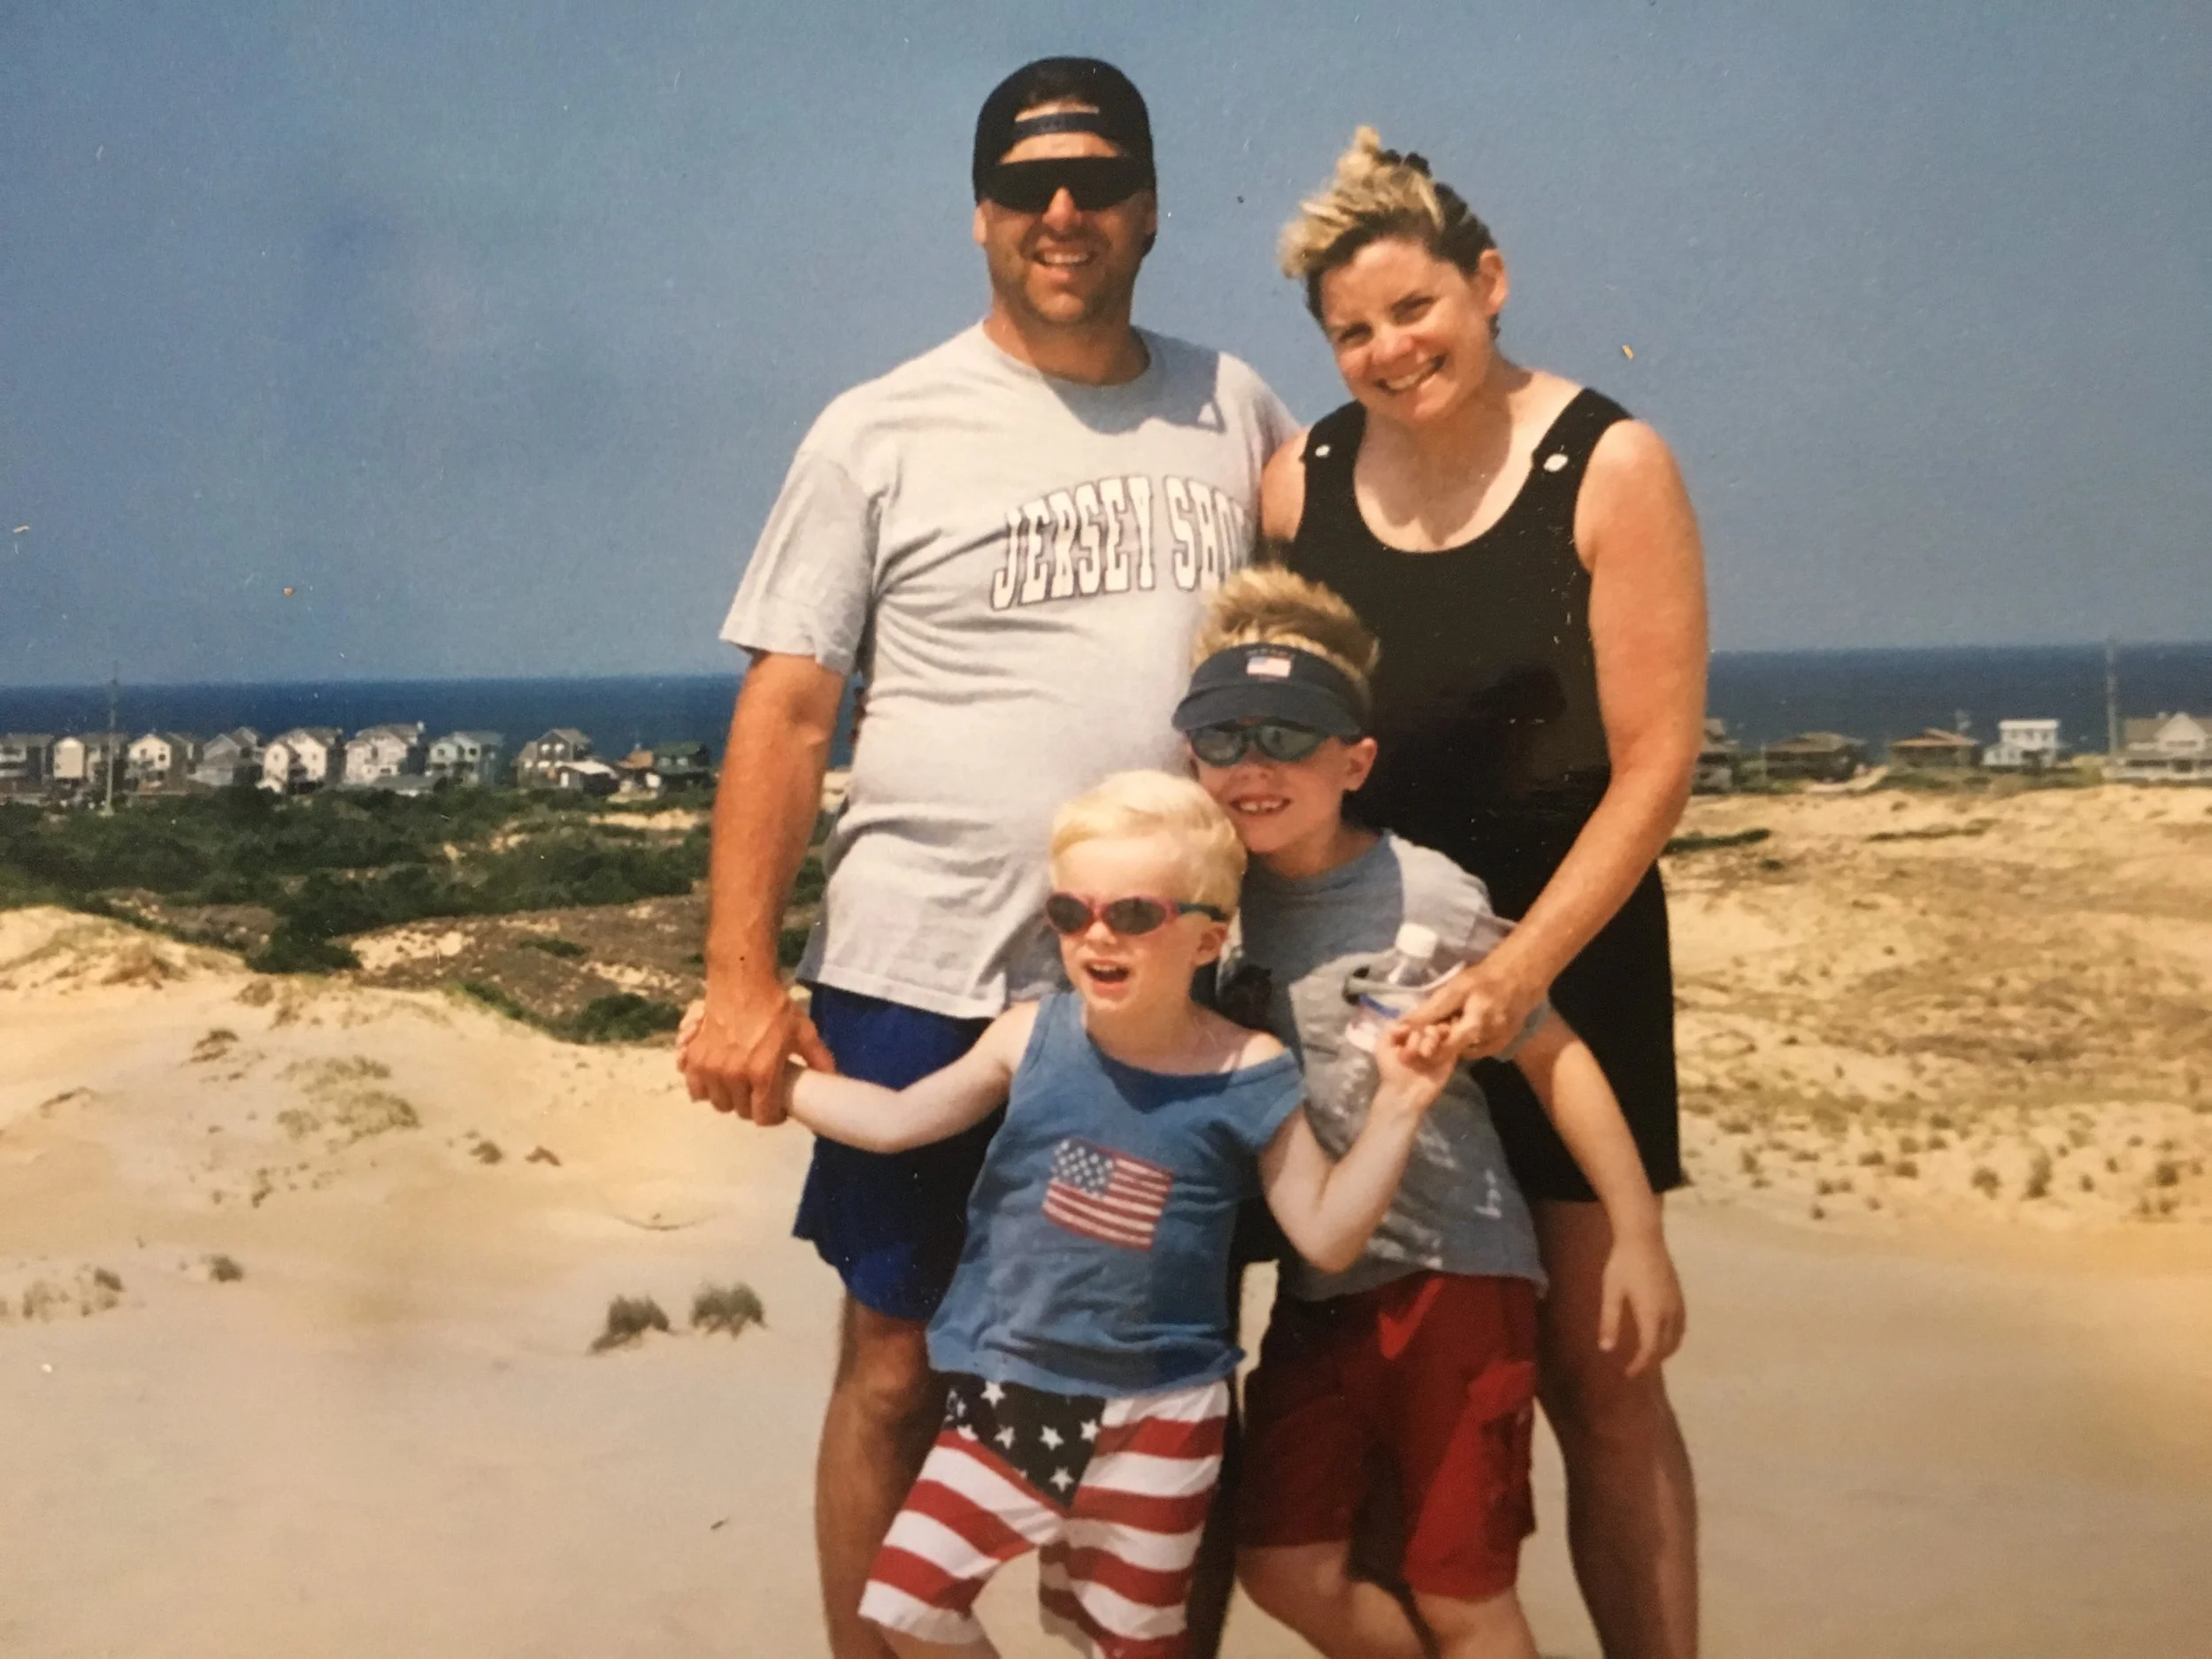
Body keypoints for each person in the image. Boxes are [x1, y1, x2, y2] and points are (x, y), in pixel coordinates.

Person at [680, 58, 1295, 1659]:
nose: (1064, 212)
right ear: (981, 215)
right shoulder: (878, 428)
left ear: (1153, 206)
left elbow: (1336, 633)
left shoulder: (1235, 408)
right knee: (896, 1365)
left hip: (1162, 994)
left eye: (1098, 180)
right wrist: (739, 975)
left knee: (1164, 1384)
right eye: (1029, 186)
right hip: (924, 968)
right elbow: (791, 705)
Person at [1260, 131, 1710, 1659]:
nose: (1389, 351)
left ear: (1490, 284)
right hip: (1375, 997)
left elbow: (1656, 767)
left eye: (1413, 309)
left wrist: (1523, 980)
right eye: (1351, 332)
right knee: (1406, 1367)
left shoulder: (1612, 463)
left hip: (1570, 980)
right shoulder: (1301, 477)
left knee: (1602, 1378)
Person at [715, 771, 1457, 1658]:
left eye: (1134, 915)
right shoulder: (1030, 1037)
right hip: (1018, 1391)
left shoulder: (1248, 1070)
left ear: (1207, 936)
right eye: (1071, 914)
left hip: (1164, 1419)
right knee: (910, 1602)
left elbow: (1327, 1235)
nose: (1096, 935)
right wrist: (781, 1082)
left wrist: (1401, 1105)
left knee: (1125, 1644)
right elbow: (896, 1121)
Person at [1171, 571, 1684, 1658]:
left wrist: (1635, 1232)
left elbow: (1555, 1056)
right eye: (1223, 738)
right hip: (1319, 1291)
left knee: (1462, 1594)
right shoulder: (1213, 903)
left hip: (1457, 1278)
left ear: (1353, 760)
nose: (1253, 767)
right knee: (1285, 1569)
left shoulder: (1427, 894)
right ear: (1188, 756)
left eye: (1289, 735)